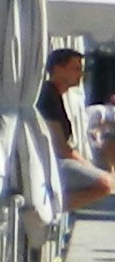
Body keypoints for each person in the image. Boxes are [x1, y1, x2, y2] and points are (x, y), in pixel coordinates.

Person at [40, 49, 114, 210]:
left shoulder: (63, 97)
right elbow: (61, 148)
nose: (81, 74)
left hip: (59, 159)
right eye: (76, 69)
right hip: (50, 162)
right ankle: (51, 208)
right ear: (58, 69)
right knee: (105, 184)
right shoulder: (48, 96)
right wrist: (89, 166)